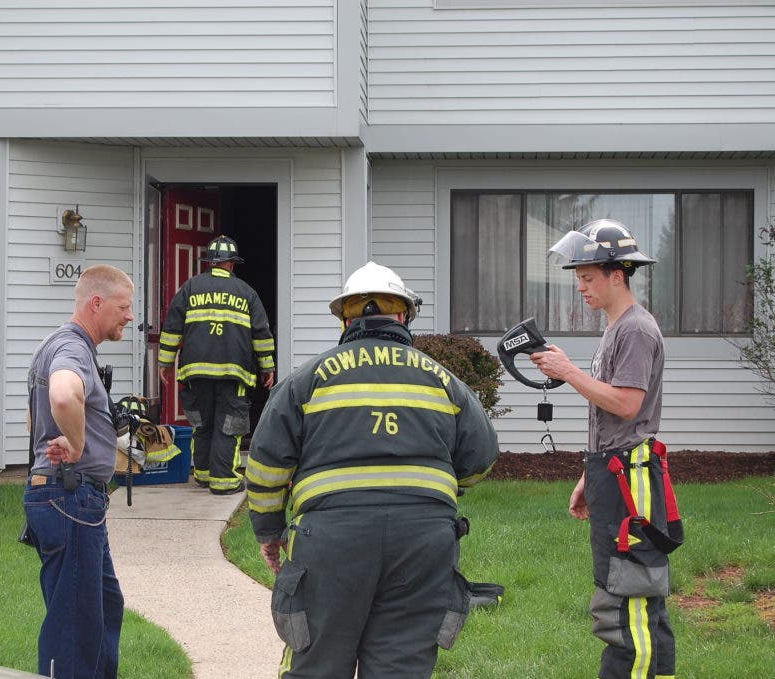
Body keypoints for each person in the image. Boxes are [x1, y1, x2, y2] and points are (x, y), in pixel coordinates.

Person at [245, 261, 499, 679]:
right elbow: (481, 457)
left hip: (331, 541)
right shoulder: (443, 380)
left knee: (317, 665)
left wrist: (269, 533)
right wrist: (431, 489)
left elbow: (266, 466)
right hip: (423, 542)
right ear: (403, 316)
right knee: (400, 667)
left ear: (346, 319)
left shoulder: (306, 380)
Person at [531, 219, 678, 679]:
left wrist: (568, 372)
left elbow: (628, 405)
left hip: (630, 479)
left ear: (618, 275)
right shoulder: (617, 328)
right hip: (615, 472)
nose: (580, 287)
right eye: (579, 278)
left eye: (588, 277)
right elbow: (612, 417)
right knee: (634, 589)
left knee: (627, 594)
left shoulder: (635, 330)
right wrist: (589, 476)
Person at [23, 264, 134, 679]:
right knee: (74, 625)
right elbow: (62, 396)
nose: (129, 316)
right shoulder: (72, 348)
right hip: (69, 498)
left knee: (104, 606)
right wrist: (77, 442)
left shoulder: (60, 345)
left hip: (74, 499)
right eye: (123, 307)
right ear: (96, 303)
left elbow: (33, 422)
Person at [158, 234, 275, 495]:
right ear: (232, 263)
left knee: (202, 424)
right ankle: (224, 481)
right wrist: (267, 367)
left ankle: (203, 474)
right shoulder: (247, 292)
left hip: (195, 373)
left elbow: (172, 328)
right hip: (234, 374)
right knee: (228, 426)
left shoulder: (190, 288)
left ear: (210, 262)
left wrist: (165, 363)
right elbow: (261, 335)